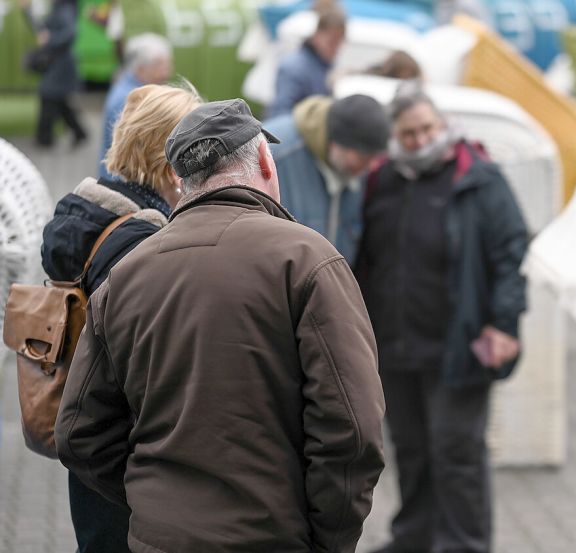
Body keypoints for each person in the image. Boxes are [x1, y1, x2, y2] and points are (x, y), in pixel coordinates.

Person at [55, 98, 386, 553]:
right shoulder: (307, 260)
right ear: (267, 163)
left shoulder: (126, 276)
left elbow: (78, 433)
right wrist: (329, 537)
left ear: (181, 179)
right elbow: (352, 430)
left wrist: (152, 502)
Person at [358, 88, 528, 553]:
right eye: (408, 133)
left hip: (461, 343)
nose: (419, 140)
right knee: (410, 450)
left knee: (457, 453)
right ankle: (413, 538)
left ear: (443, 124)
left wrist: (504, 323)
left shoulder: (479, 178)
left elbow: (511, 253)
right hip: (396, 345)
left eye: (427, 129)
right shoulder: (384, 179)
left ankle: (463, 544)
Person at [41, 83, 201, 553]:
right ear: (168, 155)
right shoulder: (141, 242)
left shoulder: (83, 212)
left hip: (85, 432)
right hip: (126, 447)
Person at [265, 94, 389, 261]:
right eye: (364, 157)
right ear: (335, 144)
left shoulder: (355, 166)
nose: (372, 166)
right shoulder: (275, 155)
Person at [99, 33, 173, 178]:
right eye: (160, 66)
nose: (167, 73)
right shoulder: (131, 101)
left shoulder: (128, 87)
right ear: (141, 68)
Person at [26, 0, 88, 148]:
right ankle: (78, 133)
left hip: (61, 64)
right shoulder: (58, 8)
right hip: (57, 63)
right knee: (58, 100)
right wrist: (27, 11)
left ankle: (45, 137)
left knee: (49, 95)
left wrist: (50, 40)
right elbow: (43, 30)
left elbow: (70, 33)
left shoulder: (64, 9)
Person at [266, 3, 346, 118]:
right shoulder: (293, 67)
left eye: (340, 43)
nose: (336, 49)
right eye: (331, 42)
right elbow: (280, 114)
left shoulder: (328, 64)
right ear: (316, 36)